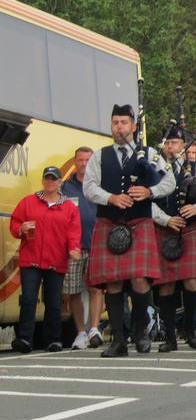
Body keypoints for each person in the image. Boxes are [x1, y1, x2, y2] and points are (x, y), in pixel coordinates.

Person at [84, 104, 176, 357]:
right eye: (115, 122)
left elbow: (170, 181)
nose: (119, 127)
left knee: (139, 279)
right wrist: (111, 198)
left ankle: (141, 331)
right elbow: (89, 187)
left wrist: (149, 192)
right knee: (113, 283)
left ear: (133, 126)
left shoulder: (149, 153)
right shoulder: (99, 156)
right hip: (109, 223)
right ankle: (118, 340)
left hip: (139, 222)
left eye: (124, 122)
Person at [152, 126, 196, 351]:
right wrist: (165, 220)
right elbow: (145, 199)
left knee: (192, 281)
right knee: (166, 285)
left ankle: (192, 331)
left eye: (175, 143)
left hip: (190, 229)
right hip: (164, 229)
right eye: (168, 143)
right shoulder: (154, 167)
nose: (171, 147)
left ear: (184, 146)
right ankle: (170, 337)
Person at [10, 166, 83, 352]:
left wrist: (74, 248)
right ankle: (25, 339)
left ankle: (53, 340)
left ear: (60, 183)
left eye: (54, 179)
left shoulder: (69, 207)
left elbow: (73, 232)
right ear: (43, 181)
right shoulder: (28, 202)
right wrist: (20, 229)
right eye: (47, 179)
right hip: (31, 259)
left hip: (55, 260)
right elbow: (15, 223)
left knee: (53, 301)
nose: (50, 182)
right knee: (28, 299)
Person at [61, 146, 105, 350]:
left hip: (97, 244)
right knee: (74, 291)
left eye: (88, 160)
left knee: (96, 288)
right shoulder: (65, 188)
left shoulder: (99, 185)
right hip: (74, 248)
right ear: (75, 161)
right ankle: (80, 333)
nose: (84, 164)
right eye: (80, 160)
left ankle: (95, 329)